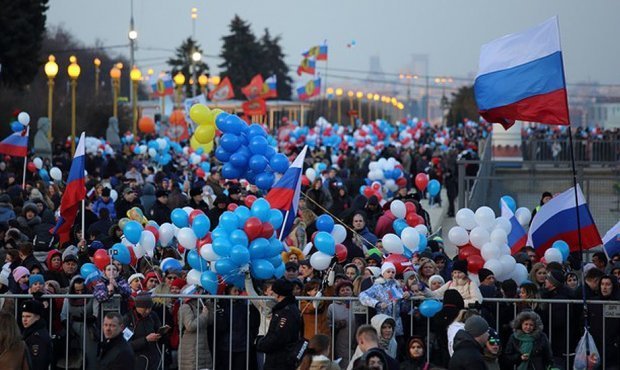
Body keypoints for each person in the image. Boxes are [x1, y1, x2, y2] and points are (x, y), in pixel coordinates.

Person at [256, 279, 303, 370]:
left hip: (280, 359)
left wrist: (262, 344)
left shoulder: (286, 311)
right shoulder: (287, 308)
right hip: (281, 357)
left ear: (278, 294)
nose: (272, 295)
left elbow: (279, 336)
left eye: (274, 292)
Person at [123, 292, 164, 370]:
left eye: (150, 308)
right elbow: (126, 345)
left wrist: (162, 333)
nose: (148, 311)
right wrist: (145, 340)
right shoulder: (129, 318)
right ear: (137, 307)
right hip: (136, 360)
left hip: (153, 359)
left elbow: (159, 331)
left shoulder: (153, 315)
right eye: (145, 308)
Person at [177, 285, 213, 370]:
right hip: (191, 350)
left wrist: (209, 306)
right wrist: (204, 315)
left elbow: (210, 321)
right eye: (200, 291)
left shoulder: (201, 307)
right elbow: (190, 326)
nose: (203, 293)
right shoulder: (186, 307)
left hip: (202, 347)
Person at [21, 299, 53, 369]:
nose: (24, 319)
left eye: (28, 316)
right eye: (23, 316)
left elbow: (37, 363)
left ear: (37, 317)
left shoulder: (37, 338)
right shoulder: (29, 332)